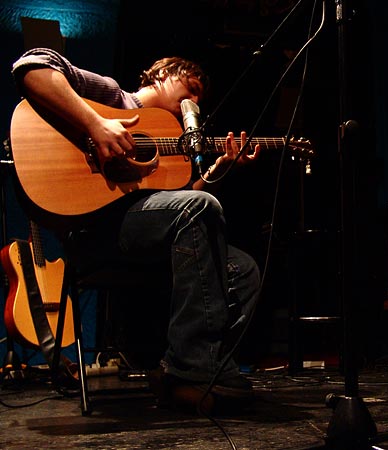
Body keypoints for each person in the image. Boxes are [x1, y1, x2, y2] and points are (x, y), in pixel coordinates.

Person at [11, 47, 262, 414]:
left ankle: (177, 370)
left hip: (145, 237)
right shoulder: (113, 97)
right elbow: (30, 66)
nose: (193, 102)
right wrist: (96, 125)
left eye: (199, 99)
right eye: (189, 88)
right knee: (199, 211)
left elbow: (188, 208)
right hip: (95, 234)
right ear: (163, 74)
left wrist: (221, 167)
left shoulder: (173, 140)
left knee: (244, 270)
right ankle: (193, 374)